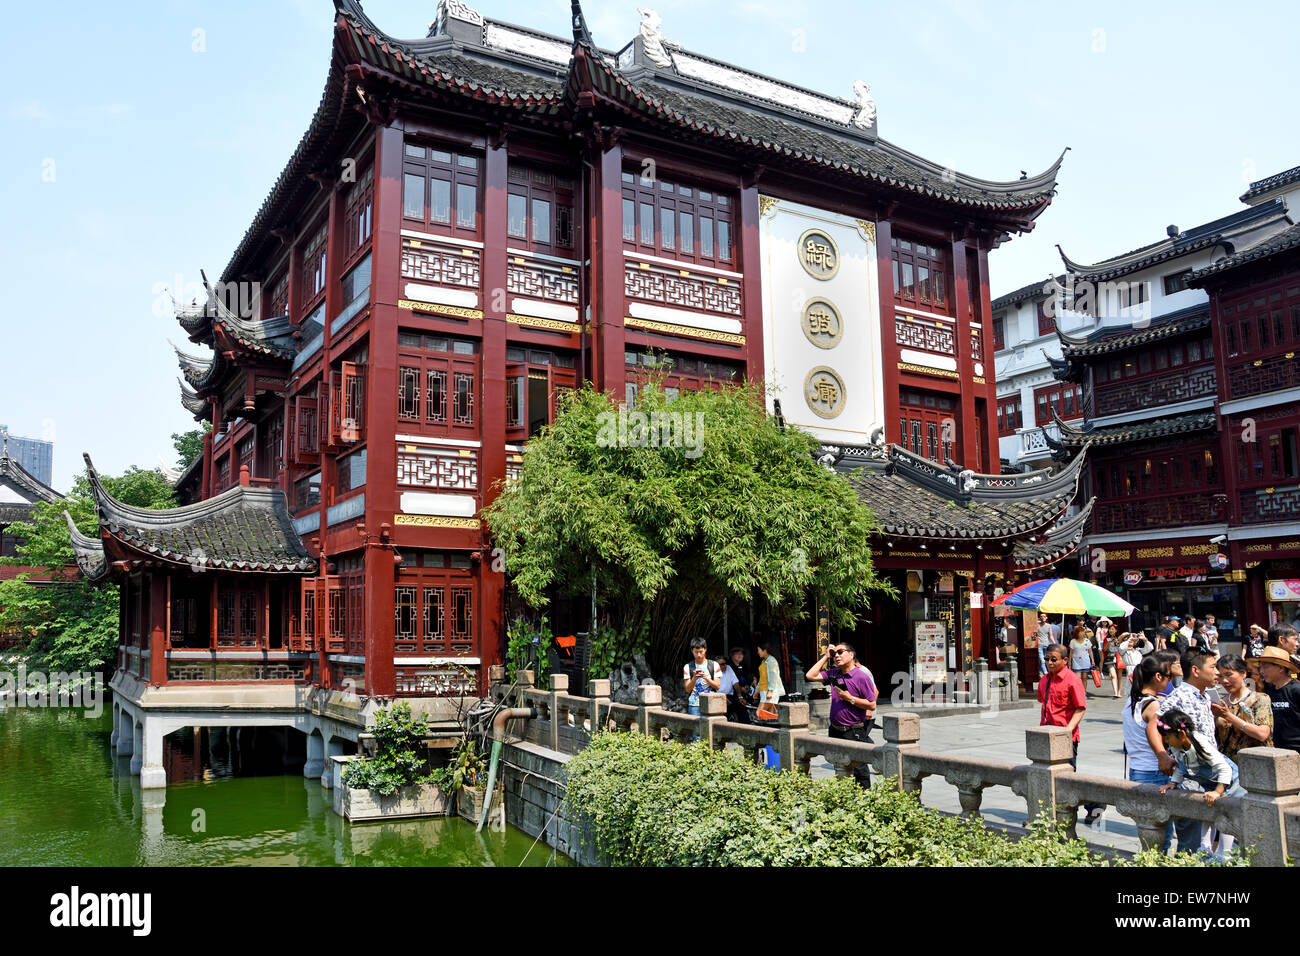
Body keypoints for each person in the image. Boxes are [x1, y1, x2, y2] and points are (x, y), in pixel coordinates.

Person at [1158, 650, 1224, 852]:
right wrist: (1163, 755)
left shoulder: (1204, 696)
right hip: (1191, 781)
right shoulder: (1180, 696)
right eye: (1212, 667)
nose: (1217, 673)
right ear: (1196, 670)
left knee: (1205, 841)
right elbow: (1156, 724)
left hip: (1208, 777)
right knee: (1191, 842)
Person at [1210, 653, 1272, 857]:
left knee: (1254, 822)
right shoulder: (1221, 701)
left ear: (1243, 673)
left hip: (1254, 771)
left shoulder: (1259, 699)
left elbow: (1262, 733)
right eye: (1220, 676)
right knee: (1228, 820)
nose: (1224, 681)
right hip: (1228, 772)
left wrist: (1230, 717)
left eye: (1229, 675)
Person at [1157, 708, 1245, 840]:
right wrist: (1173, 783)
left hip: (1232, 784)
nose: (1166, 741)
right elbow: (1182, 767)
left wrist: (1218, 792)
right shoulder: (1176, 747)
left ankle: (1225, 853)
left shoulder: (1201, 743)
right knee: (1211, 818)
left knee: (1231, 821)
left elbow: (1225, 769)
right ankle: (1206, 849)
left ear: (1181, 734)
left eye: (1167, 737)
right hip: (1211, 786)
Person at [1038, 643, 1103, 823]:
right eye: (1047, 659)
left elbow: (1080, 708)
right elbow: (1044, 705)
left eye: (1054, 659)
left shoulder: (1072, 679)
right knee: (1046, 774)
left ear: (1065, 660)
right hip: (1046, 734)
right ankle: (1046, 814)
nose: (1050, 663)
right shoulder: (1045, 680)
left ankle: (1094, 804)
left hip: (1066, 736)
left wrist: (1067, 730)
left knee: (1068, 776)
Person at [806, 642, 877, 787]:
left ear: (851, 654)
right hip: (835, 729)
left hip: (854, 730)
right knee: (839, 765)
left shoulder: (861, 677)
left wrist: (850, 698)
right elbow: (810, 675)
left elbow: (872, 704)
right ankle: (845, 795)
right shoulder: (834, 673)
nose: (836, 656)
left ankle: (865, 799)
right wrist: (826, 657)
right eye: (834, 654)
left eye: (840, 652)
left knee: (859, 767)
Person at [1257, 646, 1300, 754]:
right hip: (1278, 752)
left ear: (1281, 668)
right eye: (1260, 667)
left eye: (1265, 667)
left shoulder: (1296, 690)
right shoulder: (1269, 691)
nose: (1261, 671)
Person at [682, 636, 720, 716]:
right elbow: (688, 690)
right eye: (696, 652)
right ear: (692, 651)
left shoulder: (714, 665)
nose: (699, 655)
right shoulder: (687, 667)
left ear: (705, 649)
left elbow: (717, 686)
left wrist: (706, 678)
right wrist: (694, 678)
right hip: (694, 705)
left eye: (701, 651)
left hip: (711, 703)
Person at [717, 646, 752, 724]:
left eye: (724, 663)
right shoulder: (713, 671)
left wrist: (740, 696)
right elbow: (712, 688)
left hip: (730, 696)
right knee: (725, 713)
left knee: (742, 707)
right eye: (722, 664)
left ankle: (746, 729)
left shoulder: (729, 667)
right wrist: (723, 698)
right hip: (718, 697)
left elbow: (735, 683)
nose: (724, 666)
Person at [1117, 631, 1153, 696]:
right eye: (1126, 639)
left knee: (1140, 689)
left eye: (1133, 640)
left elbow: (1150, 648)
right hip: (1130, 670)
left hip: (1139, 669)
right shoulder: (1124, 651)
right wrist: (1129, 639)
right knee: (1131, 690)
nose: (1131, 640)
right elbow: (1121, 648)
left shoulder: (1138, 650)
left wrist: (1144, 639)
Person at [753, 639, 785, 709]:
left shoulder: (772, 661)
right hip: (764, 691)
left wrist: (770, 691)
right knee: (766, 715)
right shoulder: (764, 661)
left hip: (770, 692)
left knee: (761, 713)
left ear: (764, 650)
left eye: (759, 650)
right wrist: (757, 691)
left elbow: (773, 677)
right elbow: (762, 678)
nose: (758, 652)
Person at [1037, 612, 1060, 677]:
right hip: (1039, 644)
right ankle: (1046, 674)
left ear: (1046, 618)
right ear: (1039, 617)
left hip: (1046, 644)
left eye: (1044, 616)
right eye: (1041, 616)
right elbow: (1034, 633)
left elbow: (1051, 635)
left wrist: (1054, 643)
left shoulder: (1049, 626)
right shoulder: (1037, 625)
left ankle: (1044, 673)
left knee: (1046, 659)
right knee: (1042, 660)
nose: (1043, 617)